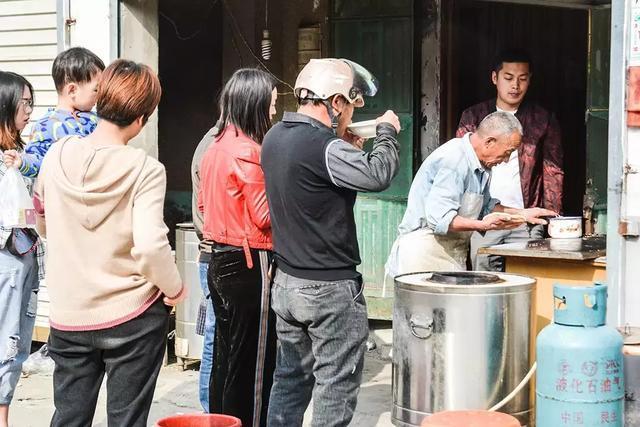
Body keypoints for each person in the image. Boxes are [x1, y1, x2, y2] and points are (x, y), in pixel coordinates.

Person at [33, 59, 185, 427]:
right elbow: (150, 247)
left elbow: (41, 219)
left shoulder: (57, 155)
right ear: (142, 118)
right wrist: (175, 288)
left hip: (69, 314)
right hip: (131, 315)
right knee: (126, 420)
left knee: (69, 417)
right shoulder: (145, 168)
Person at [262, 58, 401, 427]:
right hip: (329, 290)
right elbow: (378, 175)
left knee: (289, 381)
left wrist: (341, 142)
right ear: (335, 102)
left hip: (287, 285)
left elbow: (311, 182)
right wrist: (386, 132)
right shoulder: (327, 149)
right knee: (335, 386)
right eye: (351, 105)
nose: (349, 114)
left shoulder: (274, 137)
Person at [198, 68, 278, 427]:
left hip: (218, 258)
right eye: (272, 104)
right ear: (255, 104)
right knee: (255, 363)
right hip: (251, 262)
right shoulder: (249, 151)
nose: (274, 112)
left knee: (225, 359)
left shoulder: (214, 146)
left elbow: (202, 206)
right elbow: (264, 216)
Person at [386, 111, 556, 276]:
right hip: (423, 255)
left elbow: (487, 207)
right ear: (489, 141)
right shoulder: (454, 160)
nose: (505, 160)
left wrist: (522, 214)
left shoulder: (482, 165)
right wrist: (484, 225)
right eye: (507, 153)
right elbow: (440, 219)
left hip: (450, 255)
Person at [456, 48, 564, 271]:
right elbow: (461, 166)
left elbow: (553, 172)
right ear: (495, 78)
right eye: (508, 78)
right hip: (484, 219)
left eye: (522, 79)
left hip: (525, 219)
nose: (515, 85)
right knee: (483, 281)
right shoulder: (473, 117)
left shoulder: (543, 119)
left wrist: (554, 219)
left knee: (525, 280)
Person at [0, 71, 43, 427]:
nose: (29, 110)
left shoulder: (18, 153)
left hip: (25, 252)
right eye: (23, 102)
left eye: (31, 102)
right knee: (6, 341)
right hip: (7, 256)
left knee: (17, 342)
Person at [7, 47, 104, 178]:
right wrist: (22, 162)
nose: (100, 95)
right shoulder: (46, 126)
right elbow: (37, 159)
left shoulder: (95, 119)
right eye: (96, 90)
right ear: (72, 90)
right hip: (65, 195)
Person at [190, 121, 219, 412]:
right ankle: (210, 410)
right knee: (215, 335)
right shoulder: (215, 145)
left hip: (214, 252)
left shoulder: (216, 140)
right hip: (215, 252)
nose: (271, 112)